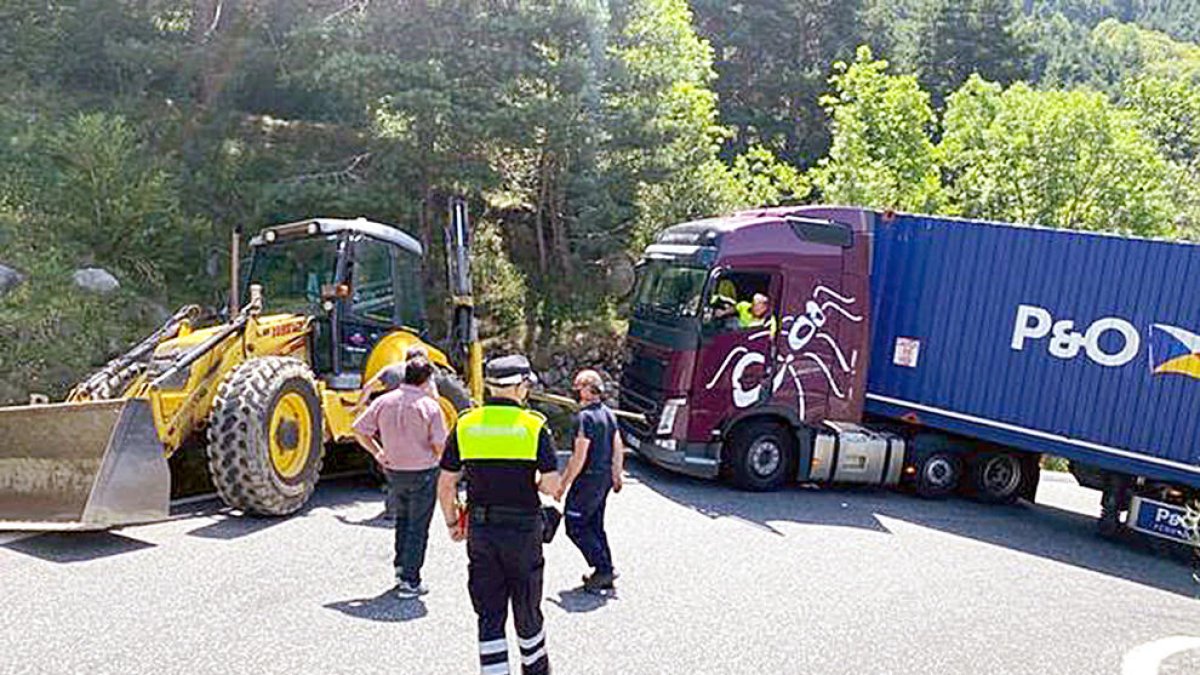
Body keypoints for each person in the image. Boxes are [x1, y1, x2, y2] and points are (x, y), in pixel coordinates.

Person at [437, 355, 561, 675]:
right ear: (520, 387)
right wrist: (530, 478)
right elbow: (550, 487)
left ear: (491, 388)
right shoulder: (533, 426)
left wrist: (452, 522)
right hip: (523, 531)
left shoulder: (466, 424)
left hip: (481, 530)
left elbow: (446, 484)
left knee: (489, 613)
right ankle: (535, 670)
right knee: (527, 608)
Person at [352, 356, 448, 598]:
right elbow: (439, 445)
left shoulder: (384, 401)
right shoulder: (430, 406)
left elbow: (359, 429)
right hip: (423, 472)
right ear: (427, 379)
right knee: (418, 526)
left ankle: (400, 569)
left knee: (402, 521)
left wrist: (378, 452)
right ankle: (410, 580)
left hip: (393, 471)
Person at [555, 369, 624, 593]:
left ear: (588, 388)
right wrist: (616, 474)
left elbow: (579, 456)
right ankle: (607, 569)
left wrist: (563, 484)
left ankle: (602, 568)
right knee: (595, 525)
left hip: (588, 480)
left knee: (575, 526)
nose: (575, 390)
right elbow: (617, 445)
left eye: (578, 386)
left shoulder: (584, 418)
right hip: (602, 479)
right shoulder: (608, 414)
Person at [354, 344, 439, 415]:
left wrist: (358, 407)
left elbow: (368, 386)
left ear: (406, 356)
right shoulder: (425, 372)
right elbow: (434, 396)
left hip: (389, 410)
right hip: (413, 413)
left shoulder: (390, 368)